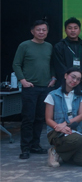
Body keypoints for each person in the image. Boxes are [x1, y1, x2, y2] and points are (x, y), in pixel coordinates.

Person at [13, 20, 56, 159]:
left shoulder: (49, 46)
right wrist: (22, 80)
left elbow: (52, 64)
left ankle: (35, 145)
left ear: (47, 32)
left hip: (45, 88)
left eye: (44, 30)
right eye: (38, 29)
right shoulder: (24, 45)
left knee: (40, 119)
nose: (41, 32)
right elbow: (16, 64)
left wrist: (53, 77)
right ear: (32, 31)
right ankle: (25, 148)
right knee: (28, 118)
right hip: (30, 88)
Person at [44, 67, 82, 167]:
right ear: (66, 76)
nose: (75, 81)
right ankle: (54, 151)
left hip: (74, 130)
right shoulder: (52, 95)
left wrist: (65, 124)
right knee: (77, 140)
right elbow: (48, 119)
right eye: (73, 77)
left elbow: (81, 116)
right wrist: (60, 128)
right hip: (56, 131)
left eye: (78, 79)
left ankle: (62, 154)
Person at [52, 17, 82, 89]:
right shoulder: (59, 47)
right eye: (70, 28)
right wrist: (70, 79)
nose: (73, 30)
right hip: (64, 84)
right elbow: (59, 66)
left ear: (79, 30)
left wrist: (79, 79)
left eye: (75, 28)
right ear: (65, 30)